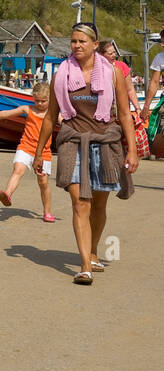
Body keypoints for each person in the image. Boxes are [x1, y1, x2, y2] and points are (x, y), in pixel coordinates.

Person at [33, 22, 137, 285]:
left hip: (105, 142)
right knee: (81, 202)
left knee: (99, 204)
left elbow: (124, 114)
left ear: (94, 44)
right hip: (72, 140)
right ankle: (84, 265)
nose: (77, 46)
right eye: (73, 41)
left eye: (82, 41)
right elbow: (50, 117)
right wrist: (39, 152)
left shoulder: (112, 73)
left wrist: (132, 151)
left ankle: (92, 251)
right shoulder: (62, 75)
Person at [0, 82, 54, 222]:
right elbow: (6, 113)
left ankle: (47, 212)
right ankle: (7, 194)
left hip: (44, 151)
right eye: (37, 100)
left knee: (43, 182)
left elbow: (67, 123)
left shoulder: (52, 114)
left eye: (43, 101)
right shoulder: (27, 109)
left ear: (50, 99)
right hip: (26, 146)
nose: (39, 104)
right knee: (18, 169)